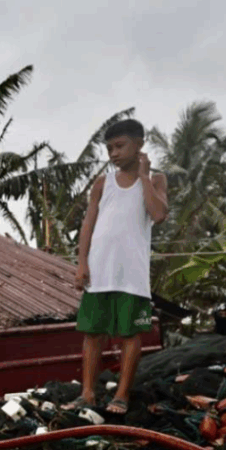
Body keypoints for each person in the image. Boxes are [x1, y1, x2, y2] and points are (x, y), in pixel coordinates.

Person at [63, 119, 168, 415]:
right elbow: (88, 224)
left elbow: (158, 214)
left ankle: (121, 396)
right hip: (99, 272)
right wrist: (82, 263)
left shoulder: (156, 180)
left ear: (140, 145)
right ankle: (87, 394)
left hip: (132, 275)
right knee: (92, 333)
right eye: (109, 148)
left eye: (120, 146)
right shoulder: (102, 183)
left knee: (130, 335)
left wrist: (144, 176)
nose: (113, 153)